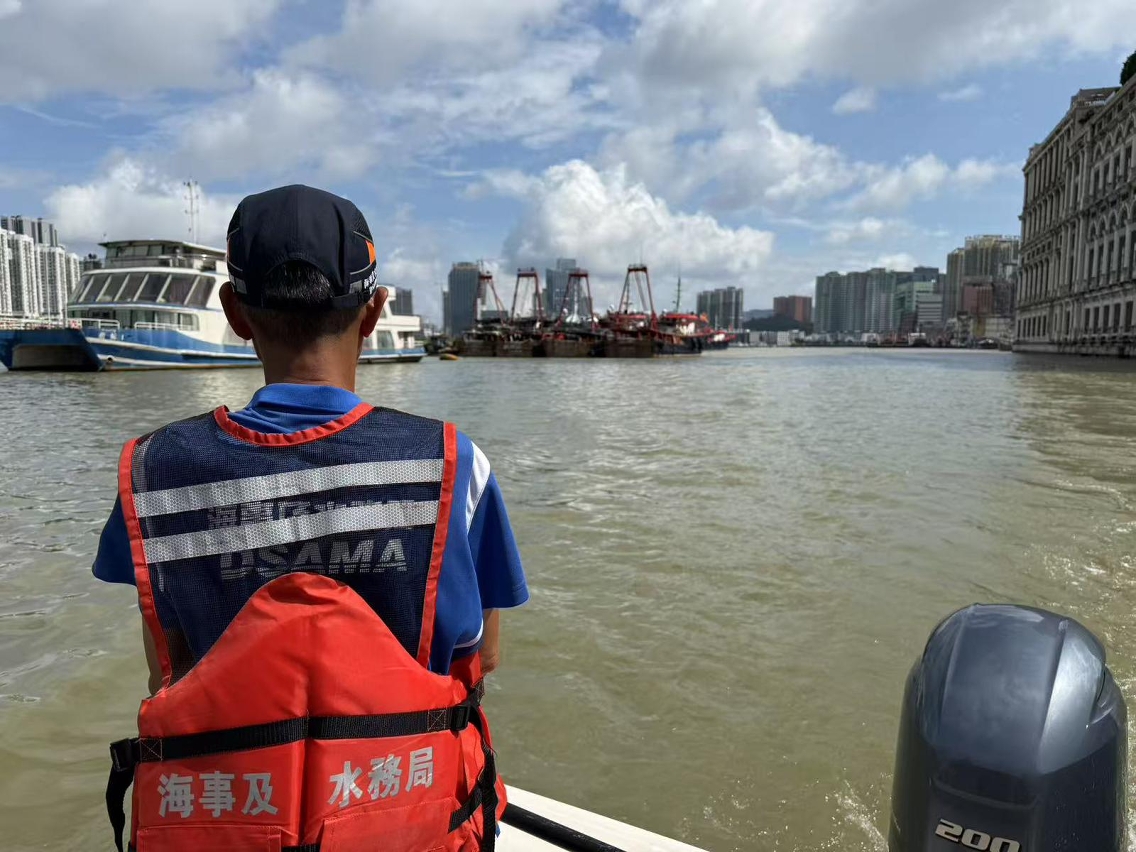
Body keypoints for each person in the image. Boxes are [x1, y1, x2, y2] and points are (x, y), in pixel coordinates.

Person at [97, 184, 528, 852]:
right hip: (407, 819)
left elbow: (166, 673)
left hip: (230, 822)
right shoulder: (453, 464)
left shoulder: (152, 472)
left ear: (234, 313)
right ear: (374, 311)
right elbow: (483, 656)